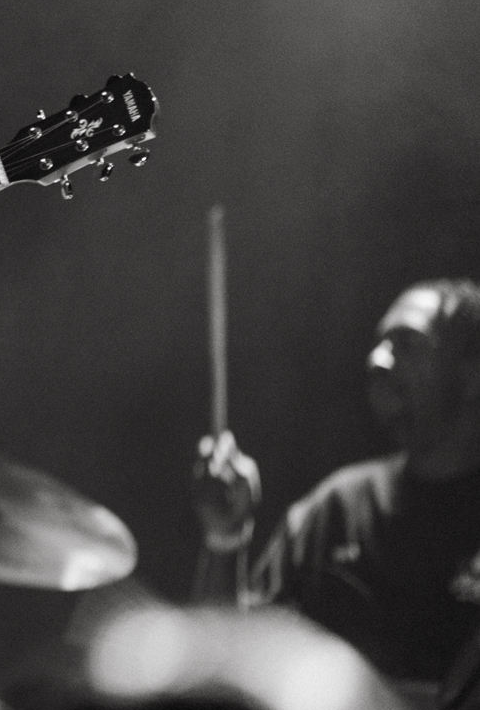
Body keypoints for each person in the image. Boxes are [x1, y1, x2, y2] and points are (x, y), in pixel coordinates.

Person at [193, 279, 480, 689]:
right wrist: (225, 539)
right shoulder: (336, 509)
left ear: (472, 374)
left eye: (406, 343)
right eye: (379, 343)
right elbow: (225, 669)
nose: (376, 359)